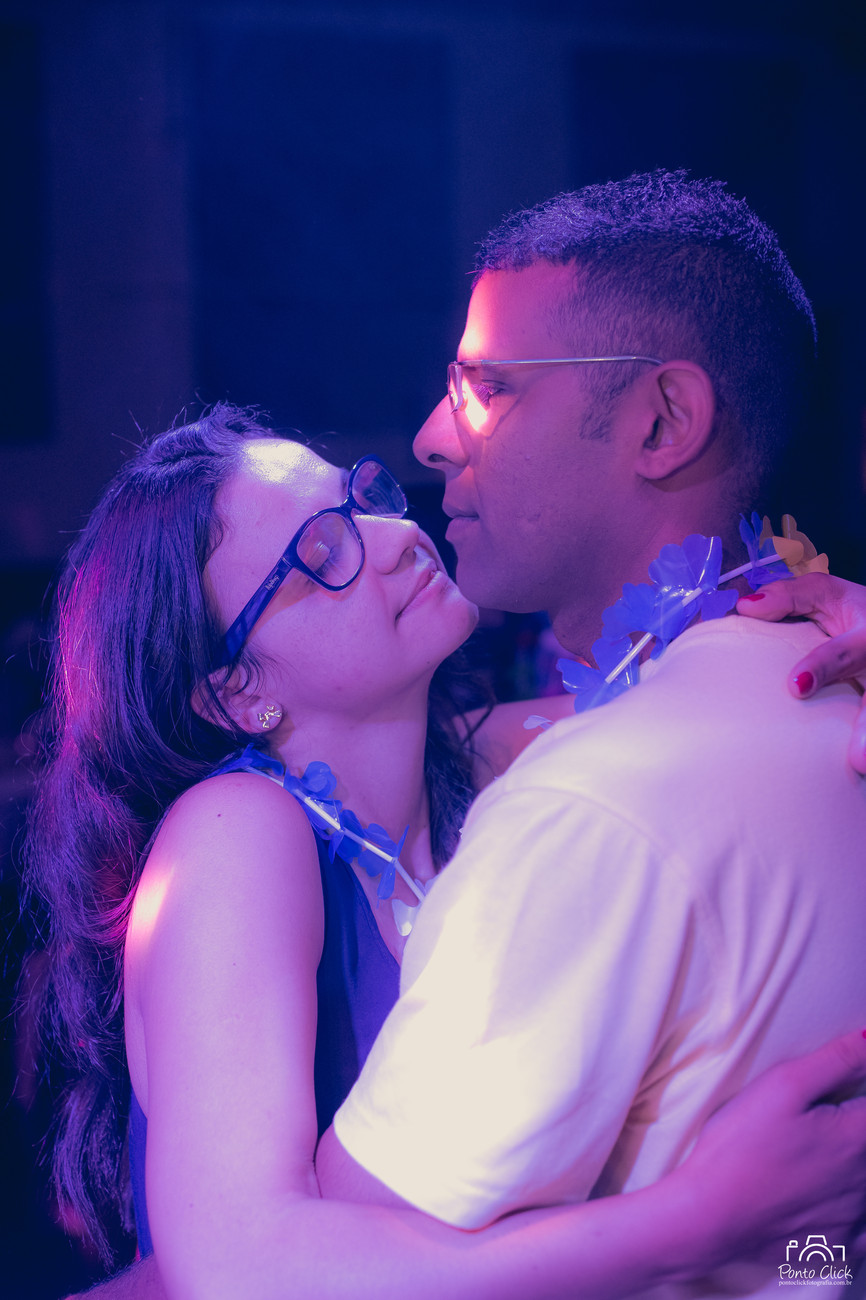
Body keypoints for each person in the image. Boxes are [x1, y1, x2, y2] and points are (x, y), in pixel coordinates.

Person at [23, 407, 866, 1300]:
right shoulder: (234, 831)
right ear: (236, 691)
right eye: (322, 555)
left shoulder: (498, 766)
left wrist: (838, 623)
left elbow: (711, 707)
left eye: (362, 500)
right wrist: (700, 1220)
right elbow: (238, 1272)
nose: (393, 539)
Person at [319, 171, 866, 1298]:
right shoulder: (814, 695)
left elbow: (330, 1266)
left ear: (660, 421)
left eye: (489, 388)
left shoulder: (589, 802)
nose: (431, 439)